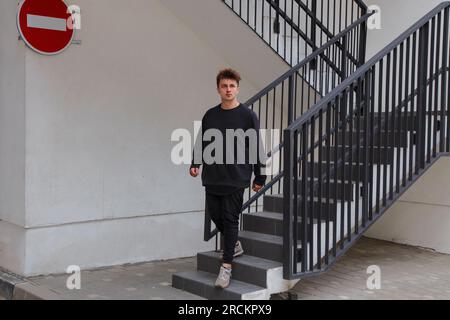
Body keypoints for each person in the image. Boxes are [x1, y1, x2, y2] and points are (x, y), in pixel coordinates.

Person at [190, 68, 267, 289]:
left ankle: (226, 268)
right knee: (216, 214)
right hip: (213, 176)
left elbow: (256, 147)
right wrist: (195, 163)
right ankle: (235, 245)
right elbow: (201, 142)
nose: (228, 89)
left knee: (230, 218)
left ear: (238, 88)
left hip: (237, 176)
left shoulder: (248, 116)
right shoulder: (210, 115)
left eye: (232, 86)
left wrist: (259, 176)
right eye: (224, 86)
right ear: (218, 89)